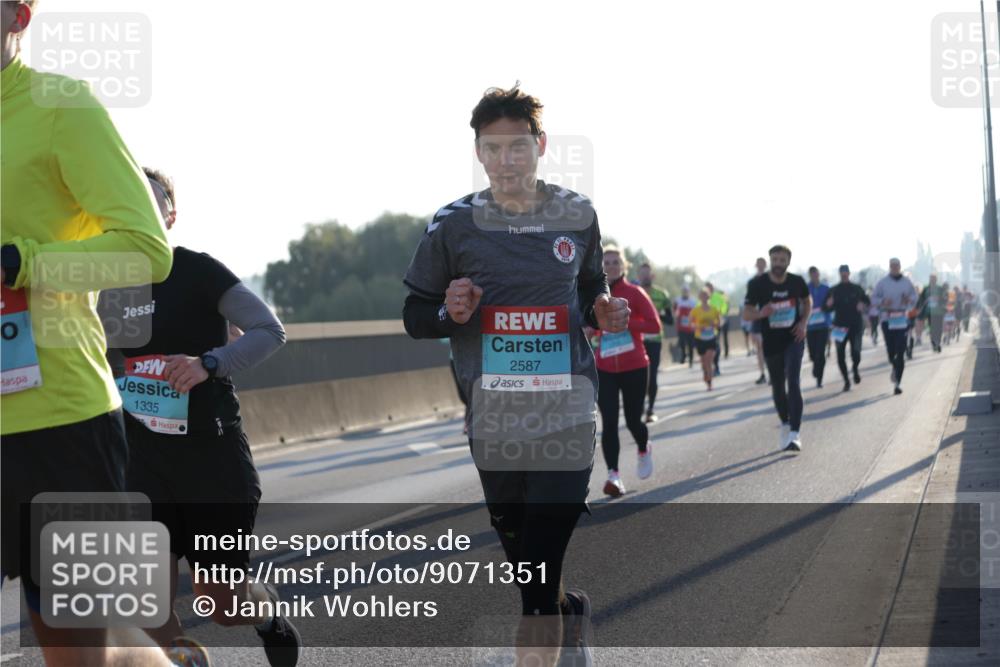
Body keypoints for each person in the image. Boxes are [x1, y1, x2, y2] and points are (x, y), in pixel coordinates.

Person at [402, 85, 630, 665]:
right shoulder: (453, 225)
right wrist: (448, 313)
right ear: (478, 153)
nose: (507, 161)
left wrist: (602, 305)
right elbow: (414, 316)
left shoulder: (577, 216)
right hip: (496, 422)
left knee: (533, 585)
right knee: (530, 567)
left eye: (519, 147)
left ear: (541, 146)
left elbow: (588, 288)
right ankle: (568, 611)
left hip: (568, 413)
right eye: (493, 148)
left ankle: (549, 619)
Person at [0, 3, 190, 665]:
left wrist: (26, 262)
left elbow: (145, 250)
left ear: (18, 15)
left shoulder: (61, 106)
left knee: (81, 653)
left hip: (60, 421)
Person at [104, 169, 301, 667]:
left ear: (169, 216)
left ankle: (267, 615)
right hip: (139, 463)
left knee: (221, 604)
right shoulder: (99, 286)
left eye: (150, 203)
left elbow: (267, 329)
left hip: (211, 460)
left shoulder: (197, 271)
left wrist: (206, 363)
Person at [592, 247, 660, 496]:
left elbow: (655, 325)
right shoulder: (595, 295)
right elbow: (588, 324)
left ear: (624, 266)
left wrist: (625, 321)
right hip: (605, 367)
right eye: (606, 262)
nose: (610, 266)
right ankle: (614, 476)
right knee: (609, 422)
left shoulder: (634, 293)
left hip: (635, 366)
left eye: (615, 262)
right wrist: (592, 328)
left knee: (633, 421)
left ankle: (643, 447)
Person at [743, 245, 810, 452]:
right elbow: (746, 313)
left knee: (794, 379)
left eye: (782, 260)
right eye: (775, 260)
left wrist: (803, 323)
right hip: (771, 341)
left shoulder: (797, 282)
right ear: (770, 260)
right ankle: (785, 422)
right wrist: (761, 313)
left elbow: (807, 301)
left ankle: (795, 433)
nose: (778, 264)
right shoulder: (757, 284)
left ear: (788, 262)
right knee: (778, 386)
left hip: (793, 338)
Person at [872, 259, 918, 395]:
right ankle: (894, 366)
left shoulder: (907, 282)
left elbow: (915, 297)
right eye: (892, 266)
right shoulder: (882, 282)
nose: (894, 268)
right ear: (889, 267)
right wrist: (882, 301)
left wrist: (908, 300)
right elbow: (873, 299)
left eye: (897, 266)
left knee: (901, 350)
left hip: (902, 318)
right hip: (887, 318)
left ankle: (897, 383)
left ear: (900, 267)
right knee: (891, 351)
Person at [637, 262, 672, 423]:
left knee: (652, 377)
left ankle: (650, 409)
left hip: (655, 340)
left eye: (647, 273)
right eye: (642, 274)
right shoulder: (634, 292)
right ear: (638, 276)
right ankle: (639, 405)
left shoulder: (662, 295)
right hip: (637, 339)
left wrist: (655, 314)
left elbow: (670, 319)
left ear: (652, 276)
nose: (645, 276)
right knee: (637, 377)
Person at [825, 265, 869, 393]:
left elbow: (867, 301)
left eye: (846, 272)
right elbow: (825, 308)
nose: (844, 274)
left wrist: (863, 304)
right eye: (842, 272)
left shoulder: (857, 288)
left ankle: (855, 368)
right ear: (839, 274)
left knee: (856, 352)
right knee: (840, 356)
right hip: (839, 326)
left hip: (855, 325)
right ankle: (846, 381)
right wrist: (828, 305)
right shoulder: (834, 290)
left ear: (849, 273)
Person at [805, 267, 831, 388]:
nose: (815, 277)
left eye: (816, 274)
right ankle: (816, 365)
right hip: (810, 326)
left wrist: (828, 307)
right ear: (810, 276)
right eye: (812, 275)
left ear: (819, 274)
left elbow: (832, 304)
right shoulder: (806, 288)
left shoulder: (826, 288)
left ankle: (819, 378)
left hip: (823, 325)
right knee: (812, 354)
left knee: (820, 352)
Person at [690, 288, 722, 391]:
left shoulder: (714, 309)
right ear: (699, 298)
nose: (704, 297)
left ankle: (710, 383)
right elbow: (691, 324)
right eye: (702, 295)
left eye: (706, 295)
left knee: (709, 360)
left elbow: (719, 322)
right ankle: (705, 373)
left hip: (711, 337)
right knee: (704, 362)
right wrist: (698, 327)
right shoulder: (695, 310)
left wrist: (715, 324)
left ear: (709, 297)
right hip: (700, 337)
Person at [748, 257, 769, 385]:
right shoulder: (752, 281)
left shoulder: (771, 279)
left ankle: (773, 371)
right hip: (757, 318)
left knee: (769, 347)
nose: (760, 266)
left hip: (770, 318)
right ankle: (762, 373)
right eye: (758, 264)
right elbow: (749, 303)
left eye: (762, 264)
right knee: (759, 347)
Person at [917, 274, 947, 353]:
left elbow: (945, 298)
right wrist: (926, 300)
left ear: (936, 280)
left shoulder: (940, 288)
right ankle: (934, 343)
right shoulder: (926, 288)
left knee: (939, 328)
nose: (932, 280)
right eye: (931, 279)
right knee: (932, 328)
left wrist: (939, 299)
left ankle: (938, 342)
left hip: (939, 311)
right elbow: (921, 299)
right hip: (929, 312)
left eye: (934, 279)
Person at [706, 282, 730, 374]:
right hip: (707, 325)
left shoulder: (718, 296)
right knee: (710, 346)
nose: (708, 290)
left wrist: (720, 314)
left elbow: (725, 306)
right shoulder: (704, 298)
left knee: (716, 344)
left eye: (710, 288)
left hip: (717, 323)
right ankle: (711, 366)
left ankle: (716, 366)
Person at [673, 284, 697, 368]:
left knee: (690, 344)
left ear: (688, 292)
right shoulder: (678, 300)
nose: (685, 292)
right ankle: (683, 355)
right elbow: (674, 310)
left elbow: (695, 313)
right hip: (681, 326)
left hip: (690, 326)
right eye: (683, 291)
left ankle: (691, 360)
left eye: (686, 291)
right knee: (682, 342)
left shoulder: (693, 301)